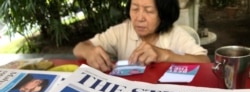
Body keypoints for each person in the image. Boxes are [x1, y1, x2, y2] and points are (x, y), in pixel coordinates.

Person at [73, 0, 210, 72]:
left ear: (164, 14)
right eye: (135, 9)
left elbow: (205, 62)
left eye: (148, 11)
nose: (139, 18)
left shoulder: (176, 35)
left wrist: (166, 55)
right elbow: (79, 48)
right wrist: (89, 51)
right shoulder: (121, 31)